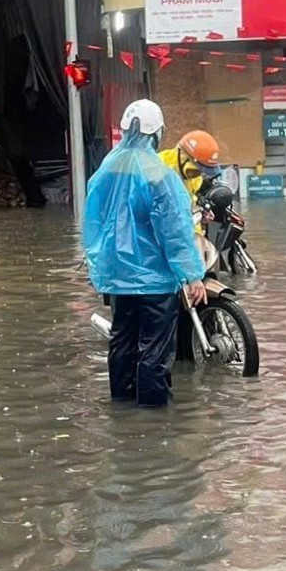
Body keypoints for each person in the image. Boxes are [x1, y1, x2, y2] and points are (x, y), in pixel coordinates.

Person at [84, 100, 207, 408]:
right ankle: (152, 424)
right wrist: (191, 275)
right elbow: (175, 232)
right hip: (155, 282)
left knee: (122, 343)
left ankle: (122, 410)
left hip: (117, 279)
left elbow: (93, 223)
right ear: (158, 133)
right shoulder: (159, 176)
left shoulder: (105, 171)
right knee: (153, 351)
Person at [158, 130, 223, 235]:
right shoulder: (157, 169)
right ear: (183, 156)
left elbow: (190, 206)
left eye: (203, 172)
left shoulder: (196, 179)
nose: (198, 175)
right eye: (196, 170)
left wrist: (201, 215)